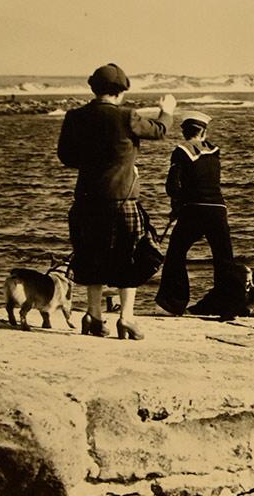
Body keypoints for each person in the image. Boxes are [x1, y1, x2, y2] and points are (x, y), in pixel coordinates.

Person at [57, 63, 175, 340]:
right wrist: (167, 110)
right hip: (122, 200)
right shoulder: (127, 116)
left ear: (93, 89)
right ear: (121, 92)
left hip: (86, 200)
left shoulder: (74, 117)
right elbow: (159, 130)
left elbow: (66, 157)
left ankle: (94, 317)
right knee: (129, 257)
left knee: (90, 256)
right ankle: (126, 319)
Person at [155, 112, 234, 316]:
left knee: (175, 254)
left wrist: (178, 203)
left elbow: (172, 186)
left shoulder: (181, 151)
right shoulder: (215, 151)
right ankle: (228, 304)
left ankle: (173, 303)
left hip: (194, 210)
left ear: (184, 131)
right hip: (219, 209)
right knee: (223, 258)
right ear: (204, 131)